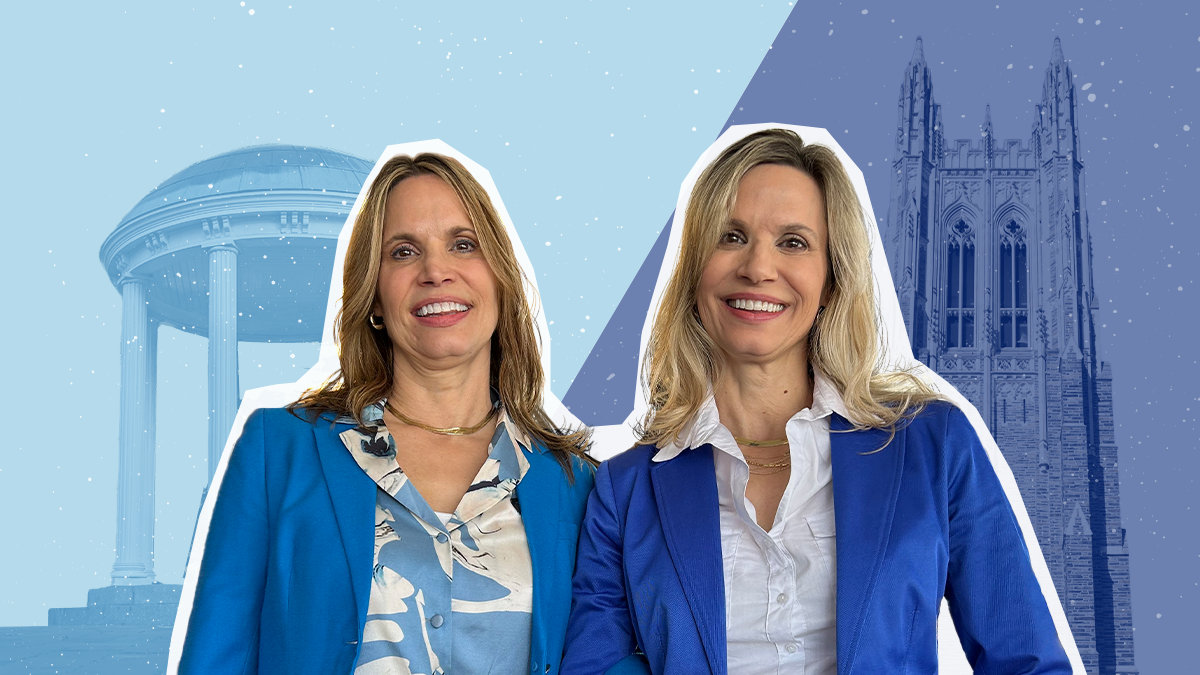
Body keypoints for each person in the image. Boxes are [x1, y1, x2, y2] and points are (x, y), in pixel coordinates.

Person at [561, 127, 1075, 674]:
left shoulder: (935, 446)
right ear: (693, 271)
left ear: (832, 277)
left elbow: (1027, 661)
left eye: (793, 242)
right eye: (730, 236)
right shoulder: (625, 491)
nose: (758, 268)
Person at [175, 147, 594, 675]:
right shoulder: (277, 452)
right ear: (373, 296)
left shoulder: (574, 483)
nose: (436, 270)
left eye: (463, 245)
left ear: (501, 281)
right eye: (403, 252)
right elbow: (215, 659)